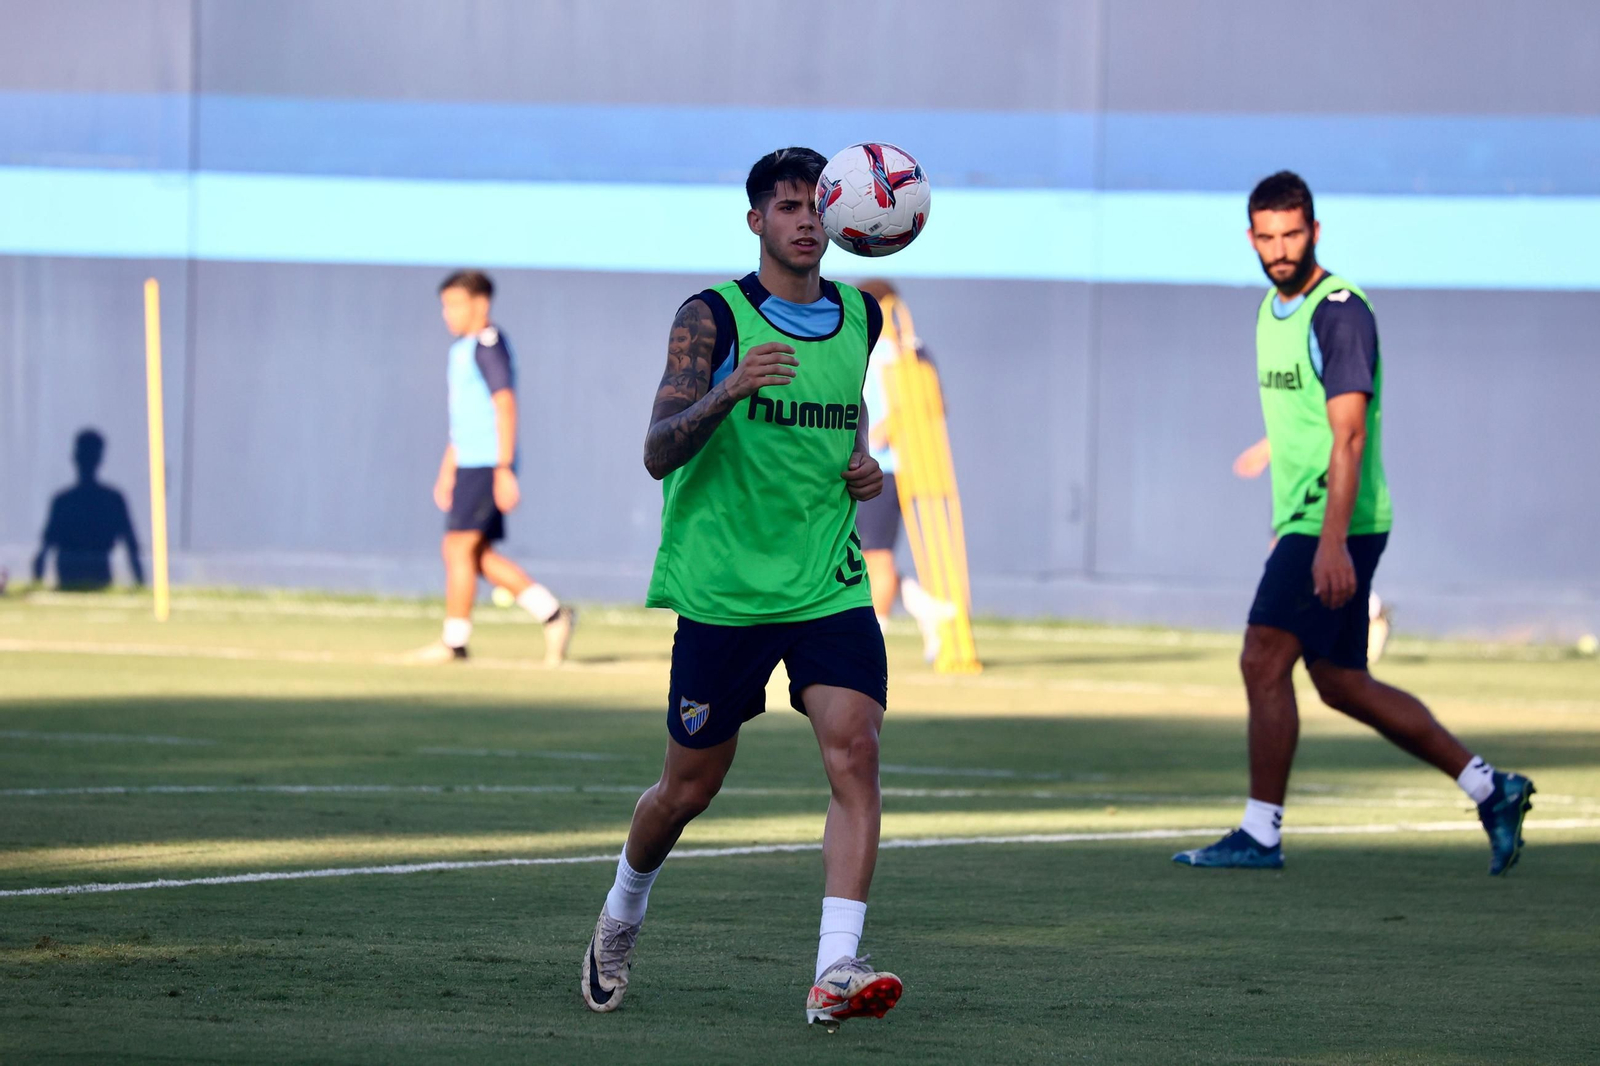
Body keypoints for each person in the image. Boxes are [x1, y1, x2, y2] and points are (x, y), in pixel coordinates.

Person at [580, 148, 902, 1027]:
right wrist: (727, 389)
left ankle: (837, 965)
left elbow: (847, 405)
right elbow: (656, 452)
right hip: (723, 590)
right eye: (788, 206)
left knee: (856, 747)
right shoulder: (709, 317)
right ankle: (622, 911)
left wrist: (860, 462)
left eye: (816, 206)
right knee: (687, 789)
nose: (805, 220)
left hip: (826, 579)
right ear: (756, 220)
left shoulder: (862, 317)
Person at [1174, 171, 1533, 875]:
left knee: (1261, 658)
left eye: (1293, 233)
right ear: (1251, 237)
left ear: (1315, 231)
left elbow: (1350, 435)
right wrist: (1271, 451)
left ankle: (1260, 833)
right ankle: (1492, 788)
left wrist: (1330, 541)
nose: (1280, 248)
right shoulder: (1269, 309)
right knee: (1340, 682)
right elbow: (1312, 416)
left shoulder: (1338, 311)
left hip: (1333, 520)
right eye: (1267, 236)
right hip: (1311, 518)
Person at [409, 270, 574, 665]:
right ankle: (554, 615)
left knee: (457, 547)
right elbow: (464, 419)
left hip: (487, 463)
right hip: (469, 462)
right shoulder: (461, 349)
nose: (448, 313)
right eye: (445, 306)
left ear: (480, 303)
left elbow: (504, 404)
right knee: (475, 555)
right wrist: (449, 466)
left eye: (455, 304)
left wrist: (503, 468)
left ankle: (454, 642)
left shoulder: (489, 345)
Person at [855, 279, 956, 662]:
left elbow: (933, 405)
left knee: (875, 557)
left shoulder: (904, 355)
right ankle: (924, 606)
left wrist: (892, 423)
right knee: (860, 557)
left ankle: (873, 638)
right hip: (865, 464)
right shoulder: (867, 351)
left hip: (886, 469)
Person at [1233, 436, 1392, 663]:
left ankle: (1371, 610)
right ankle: (1370, 611)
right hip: (1296, 497)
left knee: (1266, 657)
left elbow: (1329, 425)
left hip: (1314, 496)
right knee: (1332, 677)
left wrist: (1266, 448)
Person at [32, 429, 144, 591]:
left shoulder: (67, 501)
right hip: (73, 575)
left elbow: (132, 547)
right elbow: (44, 550)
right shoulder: (107, 499)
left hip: (92, 574)